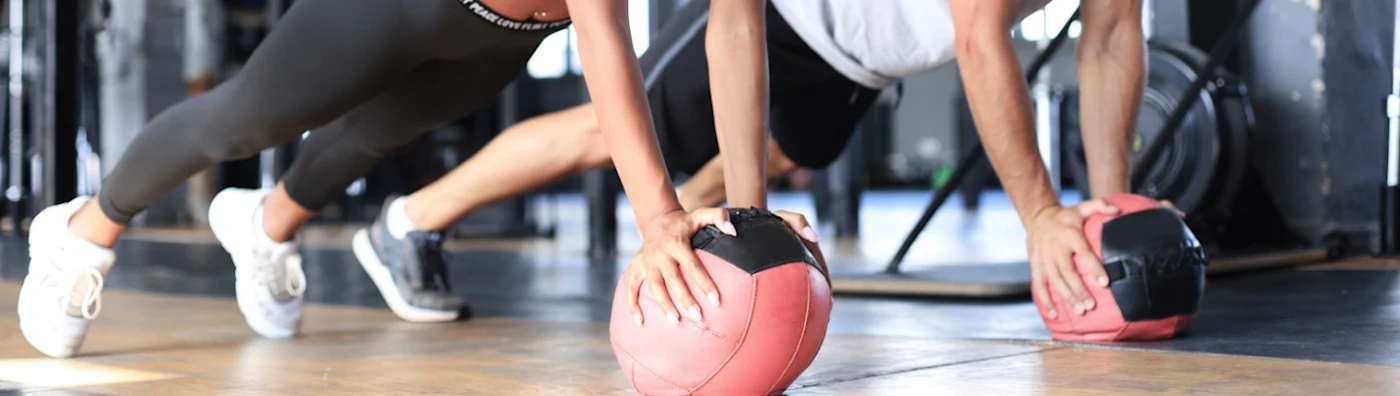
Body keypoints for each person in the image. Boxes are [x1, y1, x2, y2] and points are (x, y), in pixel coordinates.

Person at [17, 0, 776, 358]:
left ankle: (266, 224)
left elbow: (737, 25)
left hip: (509, 31)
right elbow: (604, 28)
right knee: (244, 121)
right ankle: (82, 234)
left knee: (378, 132)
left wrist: (750, 215)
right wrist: (658, 219)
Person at [345, 0, 1146, 325]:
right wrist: (1041, 216)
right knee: (609, 133)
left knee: (767, 165)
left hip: (861, 62)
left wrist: (1109, 215)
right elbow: (979, 39)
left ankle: (698, 252)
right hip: (781, 16)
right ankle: (408, 222)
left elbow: (1110, 37)